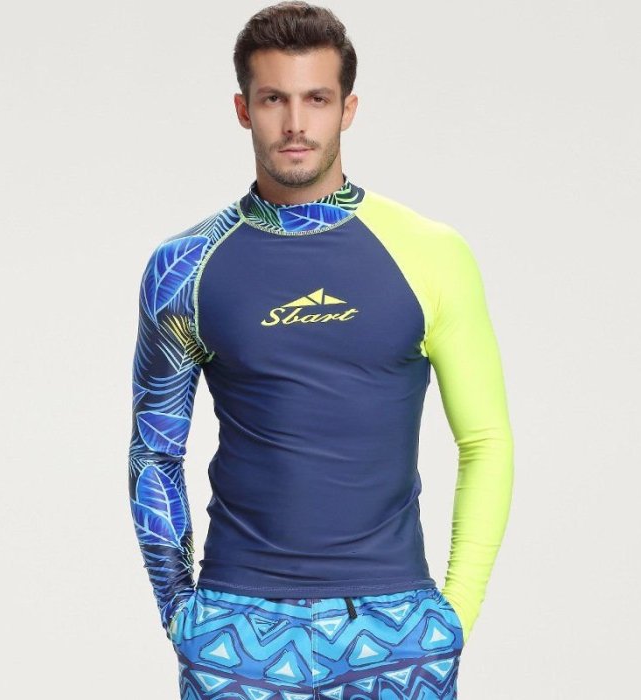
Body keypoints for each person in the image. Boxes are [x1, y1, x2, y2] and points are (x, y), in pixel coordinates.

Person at [127, 2, 514, 698]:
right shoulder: (184, 268)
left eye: (316, 99)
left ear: (348, 109)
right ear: (243, 109)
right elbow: (154, 452)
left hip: (396, 625)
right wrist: (180, 613)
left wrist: (454, 614)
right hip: (235, 626)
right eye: (274, 99)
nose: (296, 124)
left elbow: (486, 440)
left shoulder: (431, 253)